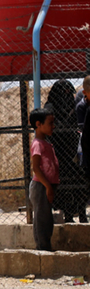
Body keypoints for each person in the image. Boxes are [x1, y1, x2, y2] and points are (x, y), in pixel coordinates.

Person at [45, 80, 88, 223]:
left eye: (69, 92)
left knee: (79, 182)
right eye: (64, 92)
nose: (67, 95)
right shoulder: (50, 108)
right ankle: (68, 215)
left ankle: (82, 213)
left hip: (73, 151)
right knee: (63, 185)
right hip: (58, 152)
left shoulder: (74, 105)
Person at [30, 107, 59, 251]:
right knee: (42, 219)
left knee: (46, 218)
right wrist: (47, 186)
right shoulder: (37, 144)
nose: (53, 126)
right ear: (38, 124)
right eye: (50, 123)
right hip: (41, 186)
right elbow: (36, 168)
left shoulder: (45, 143)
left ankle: (45, 246)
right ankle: (42, 248)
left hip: (46, 185)